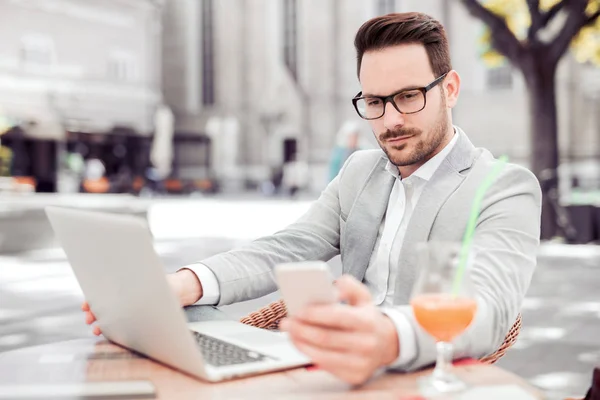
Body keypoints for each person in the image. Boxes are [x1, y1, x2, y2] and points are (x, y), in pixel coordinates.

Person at [83, 12, 542, 385]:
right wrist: (183, 284)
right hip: (329, 373)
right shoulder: (360, 171)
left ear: (450, 89)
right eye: (375, 102)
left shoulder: (504, 186)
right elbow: (287, 247)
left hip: (420, 372)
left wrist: (389, 336)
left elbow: (490, 306)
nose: (389, 121)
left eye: (407, 97)